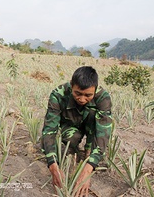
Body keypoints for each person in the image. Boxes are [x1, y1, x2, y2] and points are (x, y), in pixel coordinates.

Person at [41, 66, 112, 196]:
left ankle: (88, 152)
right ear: (71, 85)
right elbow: (49, 131)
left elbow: (103, 134)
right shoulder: (58, 95)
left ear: (95, 90)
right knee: (70, 140)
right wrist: (52, 165)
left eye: (88, 95)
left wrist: (89, 168)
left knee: (92, 115)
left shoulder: (103, 98)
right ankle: (73, 150)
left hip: (92, 128)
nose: (82, 99)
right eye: (78, 93)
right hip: (71, 126)